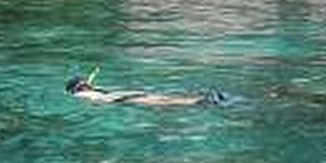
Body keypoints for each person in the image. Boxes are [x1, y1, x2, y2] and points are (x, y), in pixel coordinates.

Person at [65, 68, 227, 107]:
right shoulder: (80, 95)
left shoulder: (88, 91)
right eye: (84, 82)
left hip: (125, 96)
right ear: (80, 87)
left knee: (163, 98)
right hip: (123, 99)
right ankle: (202, 101)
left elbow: (98, 93)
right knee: (163, 102)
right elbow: (99, 100)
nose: (88, 82)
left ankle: (202, 99)